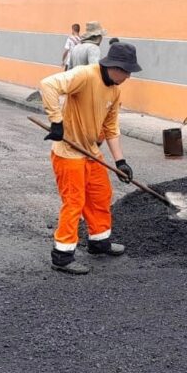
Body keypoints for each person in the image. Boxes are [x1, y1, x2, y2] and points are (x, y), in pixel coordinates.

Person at [39, 41, 142, 275]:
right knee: (74, 202)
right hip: (69, 152)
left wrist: (120, 162)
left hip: (91, 153)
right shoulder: (85, 75)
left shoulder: (115, 91)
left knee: (100, 195)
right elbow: (48, 85)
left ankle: (99, 241)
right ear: (114, 66)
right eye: (126, 71)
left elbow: (111, 127)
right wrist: (56, 121)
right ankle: (62, 256)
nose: (128, 76)